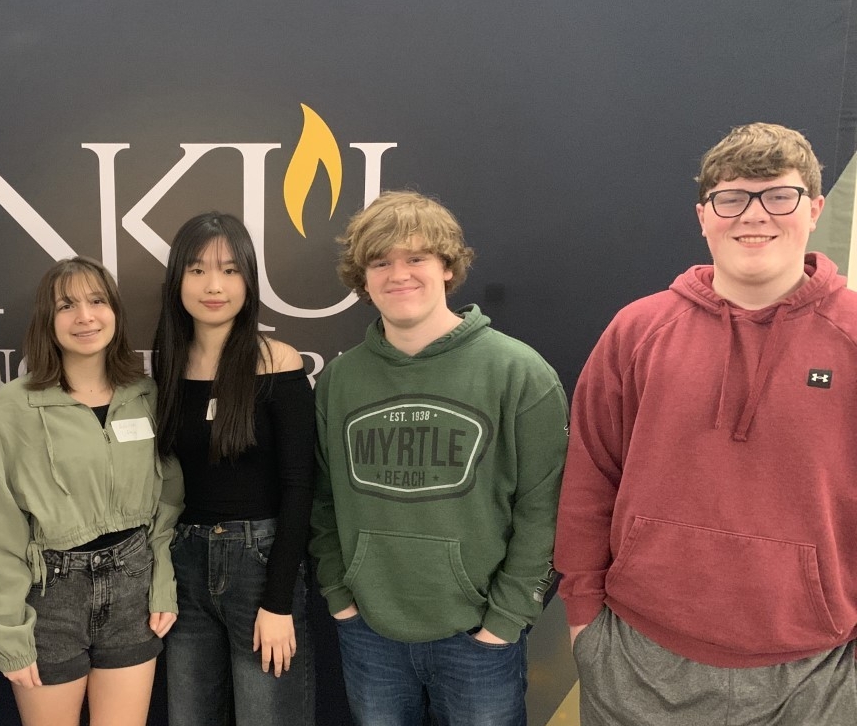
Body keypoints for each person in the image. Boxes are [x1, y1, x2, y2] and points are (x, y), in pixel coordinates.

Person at [555, 122, 857, 724]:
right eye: (731, 198)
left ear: (815, 209)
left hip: (816, 674)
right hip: (636, 657)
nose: (754, 214)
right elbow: (590, 479)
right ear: (703, 216)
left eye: (779, 195)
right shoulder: (638, 330)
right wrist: (585, 620)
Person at [310, 190, 567, 726]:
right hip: (369, 633)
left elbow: (544, 509)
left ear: (447, 266)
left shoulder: (519, 373)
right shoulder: (339, 380)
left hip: (479, 638)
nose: (398, 274)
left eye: (416, 257)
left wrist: (505, 621)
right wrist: (340, 594)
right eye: (380, 262)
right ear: (363, 279)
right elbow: (323, 498)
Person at [0, 256, 184, 726]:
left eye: (96, 301)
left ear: (114, 311)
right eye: (66, 305)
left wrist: (162, 584)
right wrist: (8, 628)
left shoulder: (146, 395)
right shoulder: (16, 404)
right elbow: (3, 524)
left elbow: (167, 503)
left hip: (133, 588)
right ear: (47, 320)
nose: (85, 316)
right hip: (50, 597)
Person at [153, 213, 316, 725]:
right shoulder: (168, 366)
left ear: (248, 279)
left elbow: (300, 485)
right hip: (185, 564)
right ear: (178, 279)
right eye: (198, 270)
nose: (214, 286)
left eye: (229, 270)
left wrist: (278, 602)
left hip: (259, 563)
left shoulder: (277, 361)